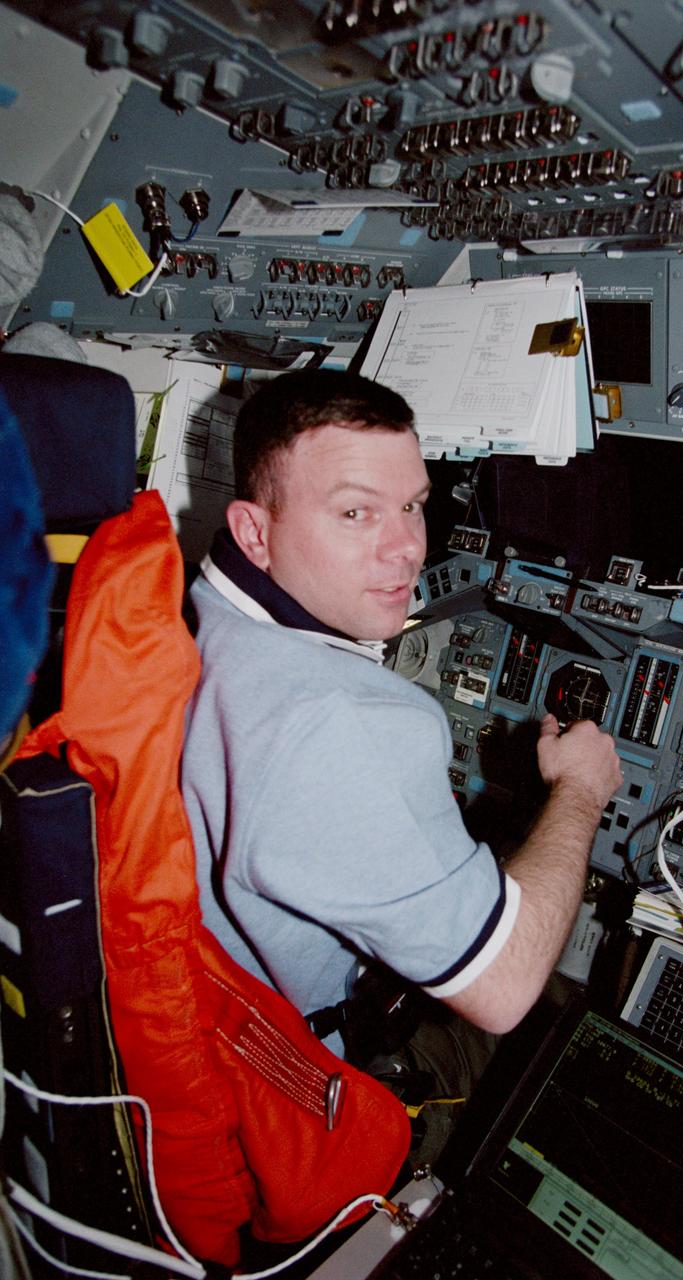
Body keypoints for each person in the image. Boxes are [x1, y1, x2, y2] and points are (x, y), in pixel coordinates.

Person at [181, 369, 622, 1158]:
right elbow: (502, 988)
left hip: (209, 1017)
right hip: (299, 1084)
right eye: (355, 512)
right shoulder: (340, 722)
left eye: (414, 505)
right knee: (579, 1023)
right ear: (255, 532)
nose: (406, 548)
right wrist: (582, 790)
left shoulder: (197, 613)